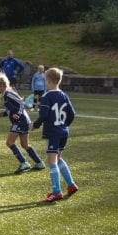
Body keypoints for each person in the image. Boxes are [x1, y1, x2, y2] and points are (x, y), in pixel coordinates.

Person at [31, 67, 78, 203]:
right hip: (63, 131)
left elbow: (44, 115)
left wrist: (35, 124)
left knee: (52, 161)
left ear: (49, 81)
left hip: (53, 132)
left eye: (45, 80)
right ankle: (71, 185)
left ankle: (56, 191)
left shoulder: (47, 96)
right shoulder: (64, 95)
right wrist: (65, 125)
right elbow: (72, 114)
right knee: (58, 158)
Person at [0, 70, 45, 174]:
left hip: (20, 121)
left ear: (1, 85)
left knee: (9, 142)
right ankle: (39, 162)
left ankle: (24, 163)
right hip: (23, 121)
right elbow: (12, 109)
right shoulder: (6, 94)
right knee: (25, 144)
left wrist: (18, 114)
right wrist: (4, 114)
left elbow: (21, 103)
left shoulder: (8, 93)